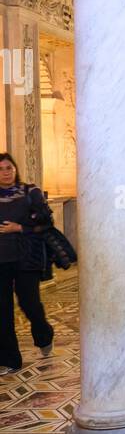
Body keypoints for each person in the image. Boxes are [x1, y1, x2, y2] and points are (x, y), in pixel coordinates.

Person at [0, 152, 55, 372]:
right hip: (0, 260)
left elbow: (46, 224)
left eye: (8, 168)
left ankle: (43, 335)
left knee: (30, 305)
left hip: (25, 259)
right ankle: (9, 360)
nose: (5, 172)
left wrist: (19, 228)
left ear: (15, 169)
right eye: (1, 169)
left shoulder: (30, 192)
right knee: (2, 311)